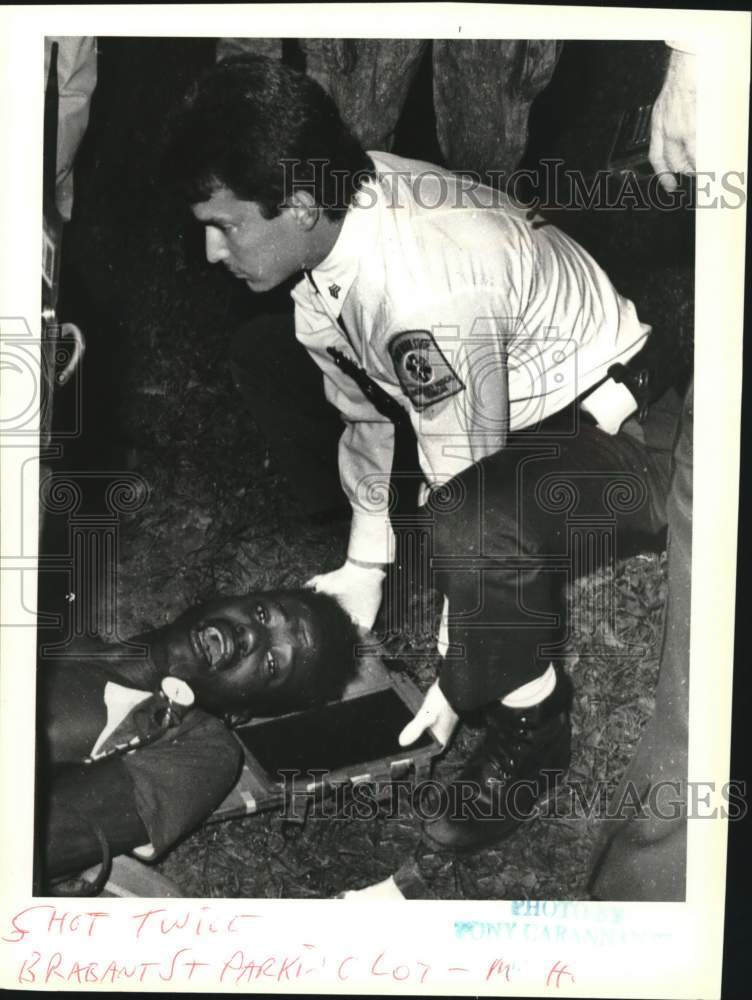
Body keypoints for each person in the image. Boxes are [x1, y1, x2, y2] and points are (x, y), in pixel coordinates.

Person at [161, 56, 681, 860]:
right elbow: (365, 409)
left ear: (298, 206)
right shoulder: (336, 215)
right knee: (265, 358)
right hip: (527, 409)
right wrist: (366, 563)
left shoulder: (423, 291)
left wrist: (460, 667)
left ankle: (533, 723)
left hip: (631, 433)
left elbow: (466, 483)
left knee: (474, 522)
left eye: (223, 225)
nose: (208, 250)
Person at [38, 588, 358, 888]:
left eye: (272, 664)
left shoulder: (203, 750)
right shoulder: (57, 614)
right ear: (221, 599)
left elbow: (37, 838)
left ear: (240, 713)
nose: (251, 635)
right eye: (262, 614)